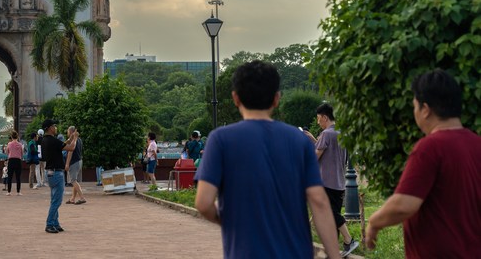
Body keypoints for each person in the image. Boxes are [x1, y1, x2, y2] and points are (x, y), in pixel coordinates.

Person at [194, 60, 341, 259]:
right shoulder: (299, 141)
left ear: (236, 98)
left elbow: (203, 203)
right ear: (276, 99)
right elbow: (319, 201)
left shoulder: (220, 140)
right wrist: (334, 255)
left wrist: (231, 222)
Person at [366, 69, 481, 258]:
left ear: (425, 109)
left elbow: (404, 205)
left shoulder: (430, 147)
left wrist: (374, 222)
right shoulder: (477, 144)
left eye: (414, 106)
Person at [303, 103, 358, 257]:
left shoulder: (326, 134)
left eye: (319, 119)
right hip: (339, 182)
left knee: (328, 212)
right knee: (331, 217)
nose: (318, 122)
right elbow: (331, 154)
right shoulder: (341, 133)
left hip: (326, 181)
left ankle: (349, 240)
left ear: (325, 117)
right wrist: (315, 140)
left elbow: (315, 158)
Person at [39, 119, 77, 233]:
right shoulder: (53, 141)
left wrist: (70, 139)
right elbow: (71, 148)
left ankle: (55, 223)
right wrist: (75, 138)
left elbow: (63, 145)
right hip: (56, 173)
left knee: (54, 199)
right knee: (57, 201)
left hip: (50, 172)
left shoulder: (44, 140)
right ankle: (49, 224)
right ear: (50, 128)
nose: (56, 128)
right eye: (54, 126)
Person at [65, 126, 85, 205]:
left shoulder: (73, 140)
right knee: (75, 180)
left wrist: (67, 164)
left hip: (74, 162)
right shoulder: (79, 140)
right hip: (79, 161)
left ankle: (82, 197)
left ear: (71, 132)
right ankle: (72, 198)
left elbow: (70, 152)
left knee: (73, 181)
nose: (67, 133)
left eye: (68, 131)